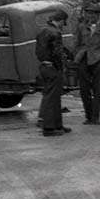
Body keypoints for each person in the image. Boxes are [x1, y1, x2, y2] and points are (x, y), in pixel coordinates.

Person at [36, 8, 71, 137]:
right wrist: (61, 67)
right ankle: (50, 127)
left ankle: (57, 124)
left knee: (51, 96)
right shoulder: (55, 33)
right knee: (53, 98)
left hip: (44, 66)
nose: (63, 26)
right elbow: (57, 53)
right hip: (53, 68)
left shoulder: (42, 31)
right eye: (63, 22)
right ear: (60, 21)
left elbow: (39, 51)